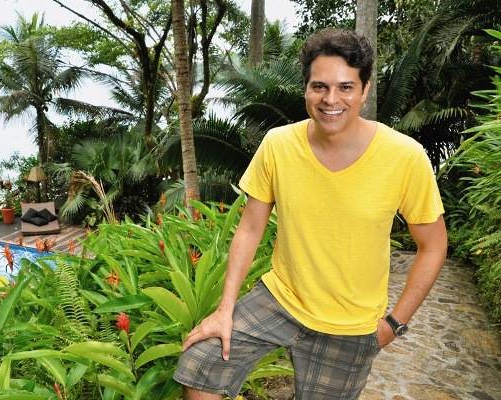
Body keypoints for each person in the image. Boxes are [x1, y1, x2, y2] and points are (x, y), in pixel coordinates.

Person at [173, 28, 447, 399]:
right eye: (319, 86)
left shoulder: (405, 157)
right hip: (280, 299)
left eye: (345, 87)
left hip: (350, 324)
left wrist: (394, 323)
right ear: (305, 89)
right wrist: (225, 309)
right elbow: (249, 229)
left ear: (364, 91)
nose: (330, 99)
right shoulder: (279, 145)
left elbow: (433, 246)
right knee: (200, 364)